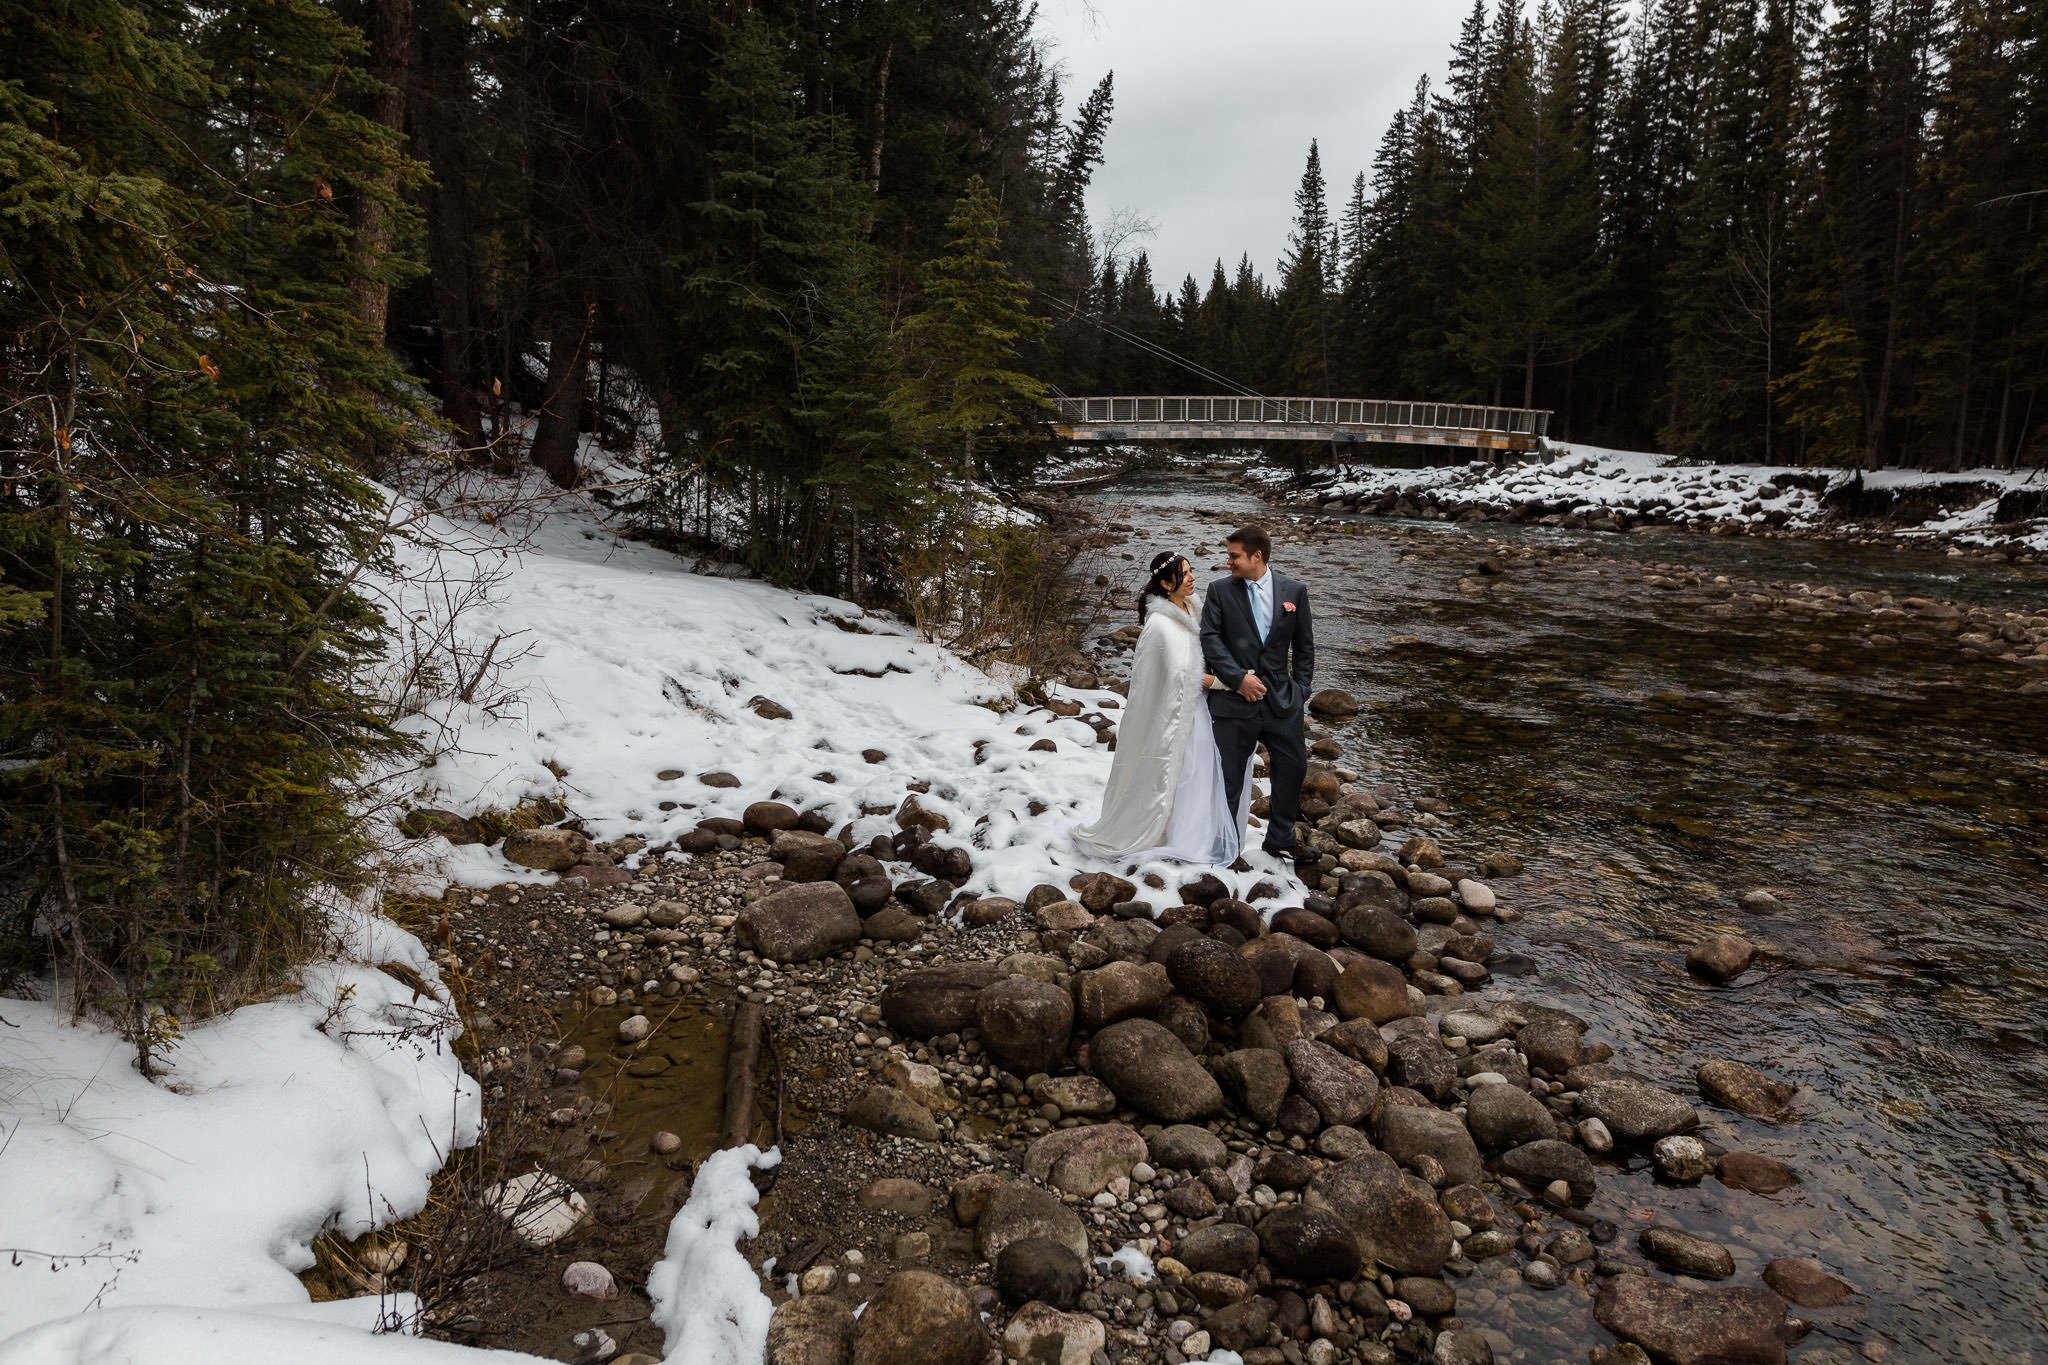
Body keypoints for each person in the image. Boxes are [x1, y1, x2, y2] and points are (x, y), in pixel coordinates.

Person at [1072, 551, 1244, 864]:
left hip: (1196, 710)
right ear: (1166, 583)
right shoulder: (1161, 626)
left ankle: (1188, 833)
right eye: (1184, 574)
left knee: (1196, 772)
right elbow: (1180, 675)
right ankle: (1164, 833)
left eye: (1192, 571)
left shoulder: (1194, 609)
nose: (1192, 578)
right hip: (1176, 715)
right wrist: (1225, 683)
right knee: (1178, 771)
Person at [1199, 524, 1316, 868]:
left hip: (1282, 701)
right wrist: (1237, 680)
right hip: (1234, 702)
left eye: (1234, 555)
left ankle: (1280, 840)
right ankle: (1225, 848)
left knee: (1293, 768)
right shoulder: (1220, 590)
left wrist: (1302, 691)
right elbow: (1211, 640)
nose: (1228, 561)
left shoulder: (1294, 591)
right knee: (1229, 777)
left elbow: (1305, 646)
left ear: (1257, 556)